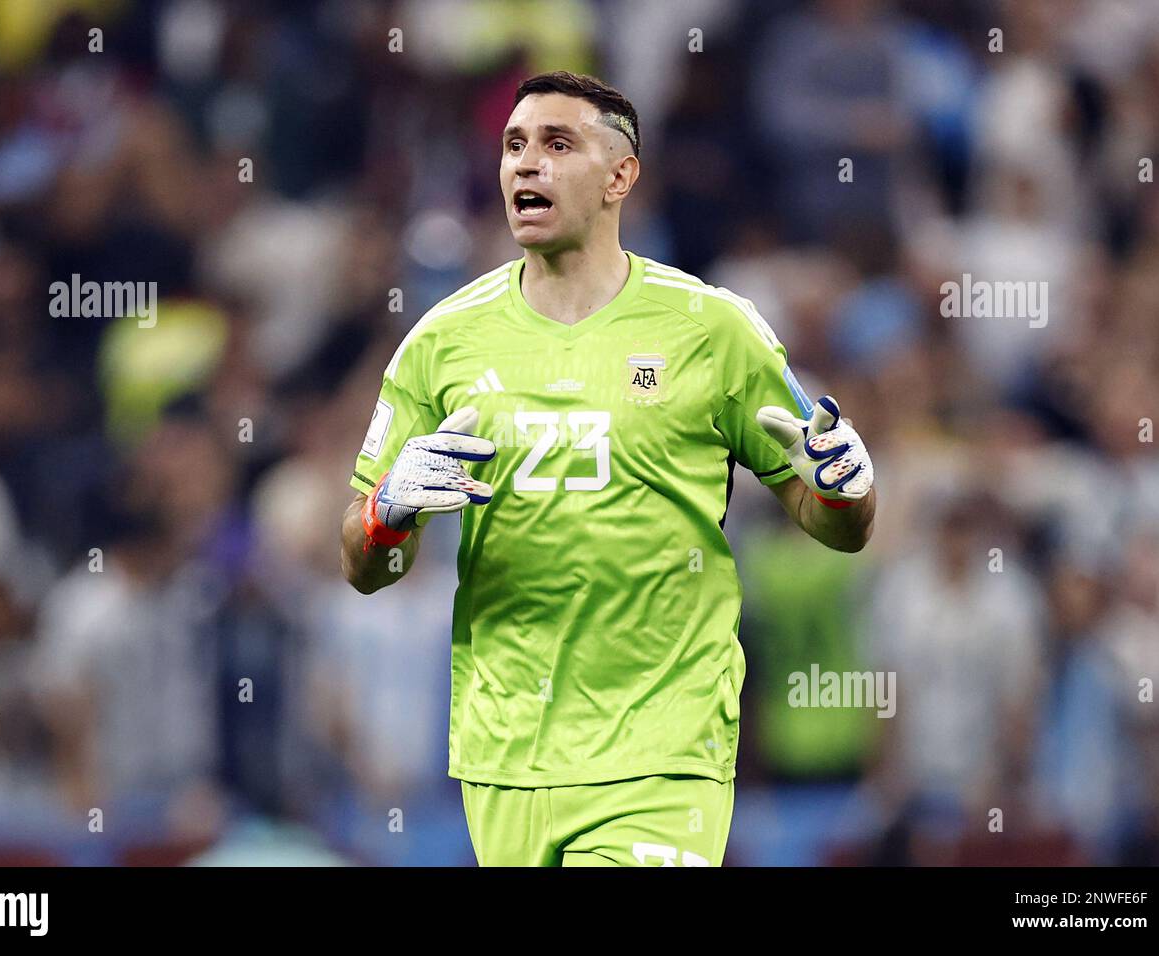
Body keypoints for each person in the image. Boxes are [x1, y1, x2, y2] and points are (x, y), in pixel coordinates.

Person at [340, 71, 876, 867]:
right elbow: (364, 563)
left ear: (621, 175)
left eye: (558, 145)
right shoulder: (440, 344)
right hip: (506, 753)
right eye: (514, 145)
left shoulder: (710, 328)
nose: (527, 164)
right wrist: (389, 512)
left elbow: (835, 524)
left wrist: (846, 488)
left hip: (663, 741)